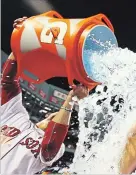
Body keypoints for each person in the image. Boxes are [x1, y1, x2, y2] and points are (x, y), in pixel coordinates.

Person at [0, 17, 89, 174]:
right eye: (54, 117)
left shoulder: (56, 149)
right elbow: (8, 82)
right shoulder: (15, 115)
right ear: (46, 117)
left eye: (58, 120)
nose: (54, 119)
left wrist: (71, 98)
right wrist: (21, 43)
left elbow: (50, 145)